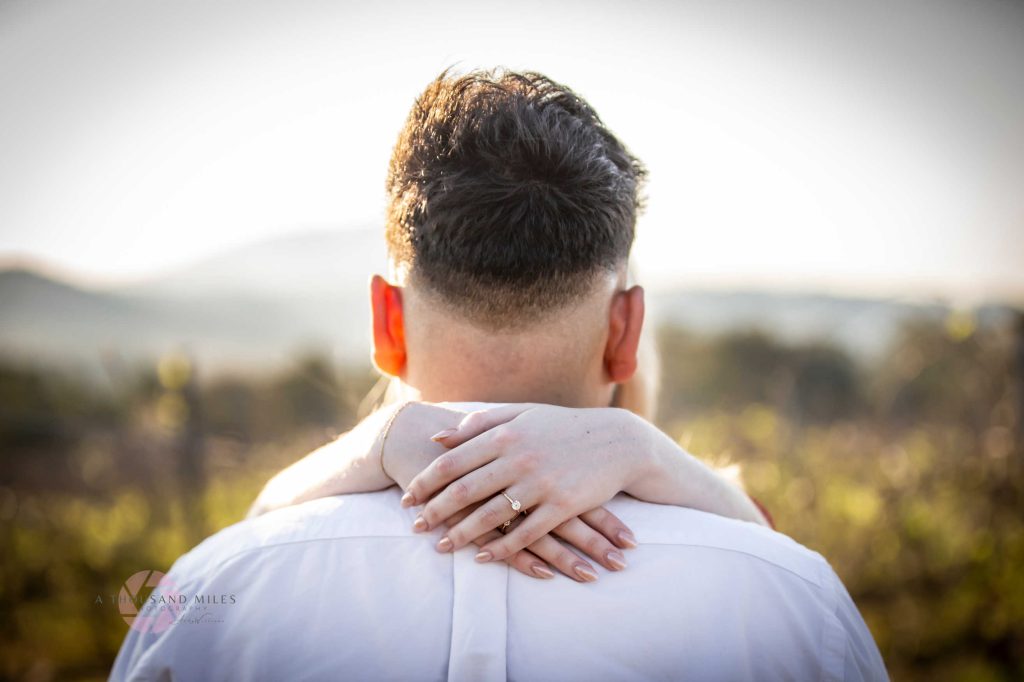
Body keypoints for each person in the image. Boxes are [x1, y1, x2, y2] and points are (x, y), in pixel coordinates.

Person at [111, 66, 887, 680]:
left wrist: (367, 447)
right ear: (626, 331)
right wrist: (642, 448)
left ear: (387, 324)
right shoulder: (786, 599)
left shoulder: (216, 590)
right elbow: (772, 556)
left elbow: (247, 544)